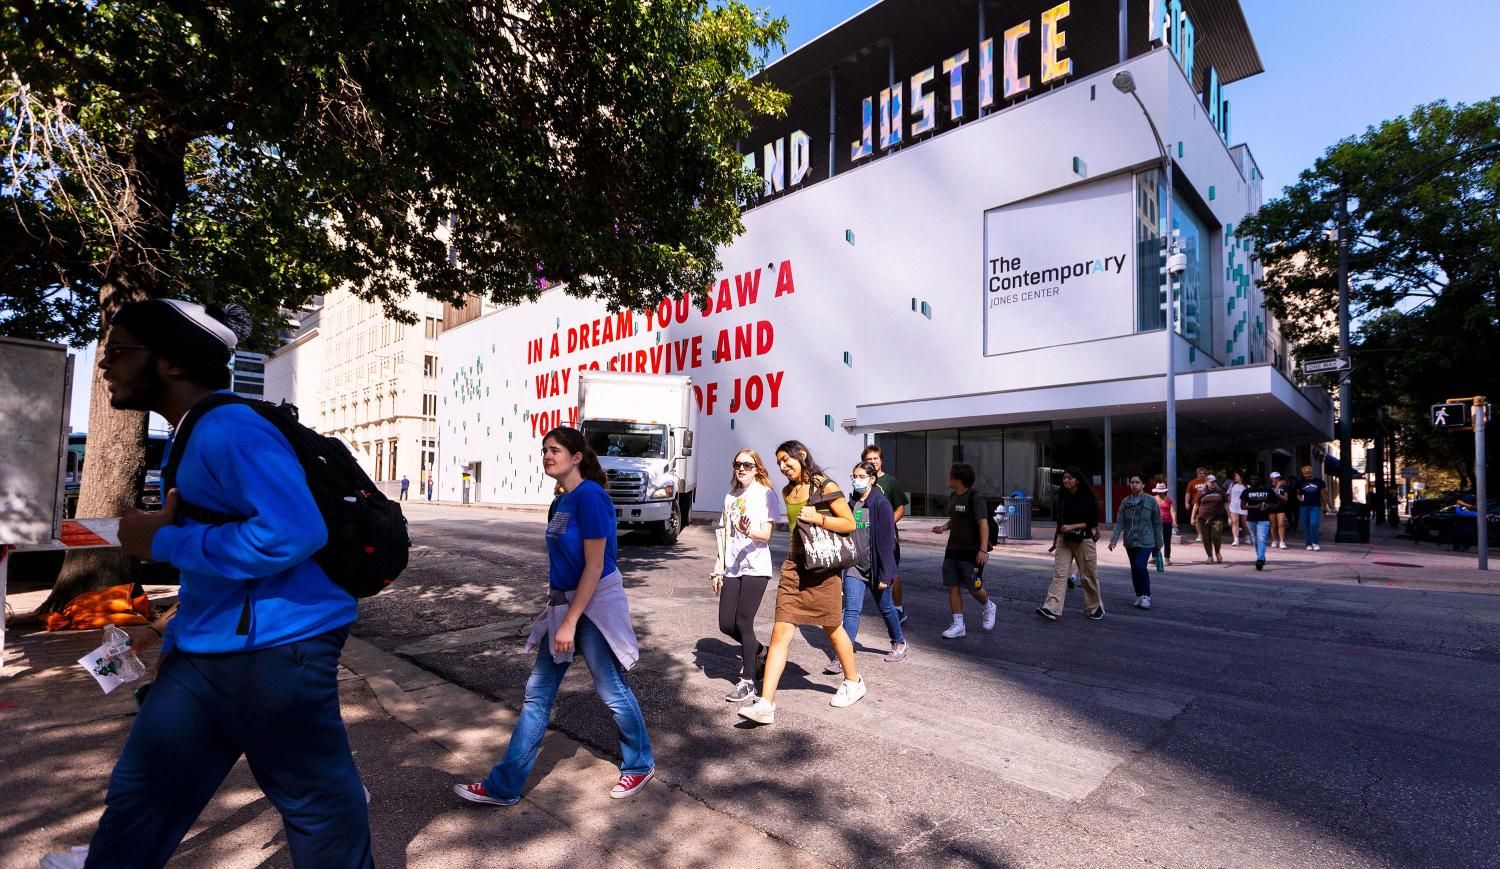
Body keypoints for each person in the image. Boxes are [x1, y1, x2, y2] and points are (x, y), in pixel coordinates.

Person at [83, 299, 373, 868]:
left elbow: (291, 532)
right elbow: (230, 545)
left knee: (320, 811)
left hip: (275, 654)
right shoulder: (202, 430)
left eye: (117, 351)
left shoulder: (229, 428)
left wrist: (157, 543)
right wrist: (176, 622)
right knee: (142, 800)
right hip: (206, 649)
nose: (105, 365)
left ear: (170, 363)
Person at [456, 427, 654, 805]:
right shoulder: (560, 501)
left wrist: (570, 621)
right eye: (544, 450)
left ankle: (639, 763)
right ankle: (504, 786)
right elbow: (562, 562)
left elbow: (595, 567)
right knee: (537, 694)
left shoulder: (591, 498)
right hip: (566, 603)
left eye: (556, 450)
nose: (547, 455)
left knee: (610, 690)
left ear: (577, 456)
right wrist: (556, 609)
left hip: (592, 604)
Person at [739, 441, 866, 725]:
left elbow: (849, 523)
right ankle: (766, 704)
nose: (784, 466)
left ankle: (854, 681)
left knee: (832, 628)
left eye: (787, 460)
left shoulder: (825, 486)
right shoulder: (787, 491)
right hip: (794, 567)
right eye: (780, 462)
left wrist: (819, 517)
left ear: (802, 456)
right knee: (780, 632)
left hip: (822, 568)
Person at [710, 449, 781, 703]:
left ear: (757, 468)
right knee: (726, 624)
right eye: (737, 464)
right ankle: (761, 652)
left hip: (756, 567)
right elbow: (725, 535)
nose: (741, 469)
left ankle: (748, 681)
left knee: (743, 622)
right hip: (733, 567)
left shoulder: (765, 495)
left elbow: (766, 534)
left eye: (747, 465)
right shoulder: (731, 496)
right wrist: (719, 567)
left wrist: (749, 531)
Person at [832, 461, 907, 664]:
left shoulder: (881, 504)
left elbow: (886, 542)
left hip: (876, 569)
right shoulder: (851, 503)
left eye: (861, 477)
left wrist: (886, 573)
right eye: (854, 476)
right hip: (855, 567)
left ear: (872, 480)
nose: (856, 480)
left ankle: (899, 641)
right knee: (852, 611)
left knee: (887, 608)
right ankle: (842, 656)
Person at [930, 463, 997, 638]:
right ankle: (958, 625)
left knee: (975, 587)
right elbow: (955, 519)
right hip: (953, 550)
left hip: (972, 552)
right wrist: (943, 527)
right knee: (952, 586)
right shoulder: (954, 496)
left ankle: (989, 606)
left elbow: (983, 524)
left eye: (950, 475)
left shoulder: (975, 497)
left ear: (958, 478)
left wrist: (983, 550)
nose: (948, 478)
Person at [1037, 466, 1103, 621]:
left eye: (1069, 478)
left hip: (1084, 540)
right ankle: (1051, 608)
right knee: (1059, 575)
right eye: (1064, 477)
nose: (1066, 480)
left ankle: (1094, 607)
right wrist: (1056, 537)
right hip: (1064, 540)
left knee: (1088, 576)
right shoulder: (1062, 495)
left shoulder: (1088, 497)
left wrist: (1072, 526)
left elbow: (1092, 521)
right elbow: (1060, 520)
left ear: (1077, 481)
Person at [861, 445, 911, 624]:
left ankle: (898, 610)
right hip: (865, 537)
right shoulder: (862, 481)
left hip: (887, 537)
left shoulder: (891, 482)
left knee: (891, 571)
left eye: (875, 458)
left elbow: (900, 508)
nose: (873, 461)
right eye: (869, 459)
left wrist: (888, 524)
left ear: (881, 460)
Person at [1109, 473, 1163, 609]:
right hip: (1130, 540)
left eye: (1137, 482)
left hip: (1147, 541)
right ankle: (1139, 594)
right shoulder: (1125, 502)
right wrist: (1113, 540)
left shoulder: (1151, 501)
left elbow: (1157, 523)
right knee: (1134, 569)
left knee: (1140, 566)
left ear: (1143, 484)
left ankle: (1146, 595)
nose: (1134, 484)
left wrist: (1159, 542)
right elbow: (1120, 521)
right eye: (1132, 482)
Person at [1241, 474, 1282, 571]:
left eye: (1255, 479)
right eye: (1252, 479)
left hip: (1264, 518)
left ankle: (1260, 559)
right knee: (1255, 539)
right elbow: (1242, 506)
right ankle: (1260, 556)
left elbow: (1277, 503)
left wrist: (1268, 506)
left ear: (1260, 480)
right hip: (1251, 519)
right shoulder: (1247, 491)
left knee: (1261, 538)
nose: (1253, 481)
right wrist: (1255, 507)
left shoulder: (1268, 491)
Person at [1193, 477, 1228, 563]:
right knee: (1206, 538)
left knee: (1216, 536)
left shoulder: (1220, 492)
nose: (1213, 484)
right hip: (1203, 518)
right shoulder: (1201, 492)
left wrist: (1230, 517)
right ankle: (1209, 557)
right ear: (1206, 482)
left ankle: (1217, 551)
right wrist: (1192, 517)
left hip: (1217, 517)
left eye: (1214, 482)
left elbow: (1226, 505)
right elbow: (1196, 505)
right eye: (1211, 482)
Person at [1297, 464, 1328, 550]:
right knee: (1305, 525)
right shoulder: (1300, 482)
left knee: (1314, 524)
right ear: (1303, 474)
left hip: (1315, 505)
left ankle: (1315, 542)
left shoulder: (1319, 481)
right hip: (1304, 506)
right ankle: (1308, 543)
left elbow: (1323, 494)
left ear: (1312, 472)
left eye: (1309, 473)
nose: (1307, 475)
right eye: (1305, 474)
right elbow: (1298, 493)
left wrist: (1325, 505)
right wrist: (1299, 499)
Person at [1151, 481, 1175, 566]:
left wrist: (1174, 521)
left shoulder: (1169, 499)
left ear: (1164, 491)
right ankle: (1154, 558)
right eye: (1159, 491)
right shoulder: (1153, 499)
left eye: (1162, 491)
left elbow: (1172, 510)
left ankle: (1167, 558)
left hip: (1167, 522)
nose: (1160, 492)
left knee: (1167, 541)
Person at [1184, 467, 1210, 542]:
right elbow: (1188, 493)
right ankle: (1200, 535)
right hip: (1196, 503)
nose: (1202, 475)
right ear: (1197, 474)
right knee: (1197, 519)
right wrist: (1186, 502)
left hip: (1207, 503)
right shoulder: (1192, 482)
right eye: (1200, 473)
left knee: (1207, 519)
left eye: (1203, 473)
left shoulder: (1208, 482)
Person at [1269, 471, 1290, 549]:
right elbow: (1271, 496)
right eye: (1276, 478)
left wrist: (1277, 493)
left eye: (1279, 478)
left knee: (1281, 524)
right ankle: (1275, 540)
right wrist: (1278, 486)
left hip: (1281, 507)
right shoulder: (1269, 487)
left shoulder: (1283, 487)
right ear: (1271, 478)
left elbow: (1286, 498)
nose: (1278, 479)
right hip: (1271, 507)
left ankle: (1282, 541)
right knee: (1273, 525)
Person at [1227, 471, 1247, 545]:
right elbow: (1228, 495)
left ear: (1241, 477)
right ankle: (1236, 539)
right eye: (1235, 476)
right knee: (1235, 522)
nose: (1235, 477)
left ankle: (1247, 536)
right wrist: (1229, 504)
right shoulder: (1232, 485)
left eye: (1236, 476)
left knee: (1245, 523)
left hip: (1244, 506)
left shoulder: (1247, 486)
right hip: (1234, 506)